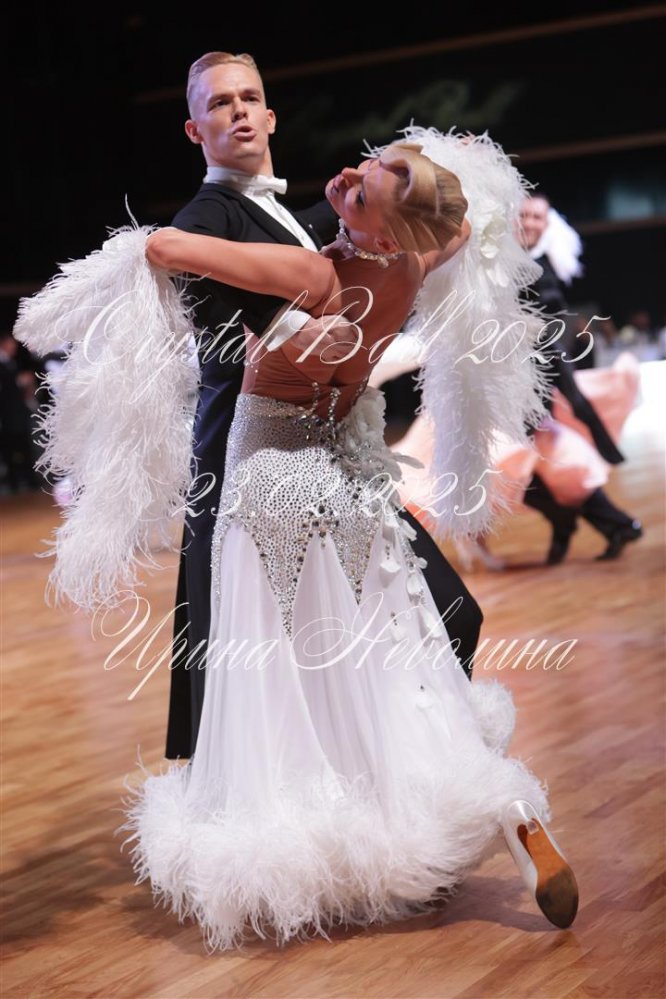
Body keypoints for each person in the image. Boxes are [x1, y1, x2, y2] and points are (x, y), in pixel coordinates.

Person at [119, 138, 579, 951]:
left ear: (381, 232)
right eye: (361, 166)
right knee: (389, 662)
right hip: (348, 479)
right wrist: (413, 192)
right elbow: (460, 227)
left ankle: (322, 827)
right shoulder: (415, 264)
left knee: (279, 674)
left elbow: (165, 248)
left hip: (270, 478)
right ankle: (499, 806)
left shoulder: (315, 276)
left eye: (361, 193)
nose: (344, 179)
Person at [164, 53, 482, 762]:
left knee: (427, 619)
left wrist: (442, 185)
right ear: (195, 129)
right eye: (219, 103)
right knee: (250, 652)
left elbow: (371, 233)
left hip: (330, 449)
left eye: (250, 97)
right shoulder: (207, 214)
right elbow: (199, 294)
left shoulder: (305, 221)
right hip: (244, 449)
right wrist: (283, 329)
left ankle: (407, 760)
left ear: (271, 115)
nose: (238, 111)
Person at [517, 194, 643, 563]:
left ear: (547, 222)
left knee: (522, 467)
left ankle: (579, 520)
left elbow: (549, 328)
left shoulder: (541, 264)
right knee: (527, 470)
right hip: (509, 380)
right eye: (524, 215)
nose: (529, 223)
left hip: (528, 385)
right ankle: (605, 523)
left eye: (537, 217)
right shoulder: (507, 259)